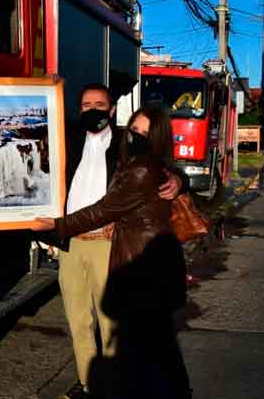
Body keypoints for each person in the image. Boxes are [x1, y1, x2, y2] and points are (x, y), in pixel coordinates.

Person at [33, 106, 191, 399]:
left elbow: (103, 210)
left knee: (145, 347)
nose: (137, 137)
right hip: (143, 261)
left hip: (142, 265)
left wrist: (57, 226)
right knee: (156, 346)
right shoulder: (129, 158)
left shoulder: (143, 168)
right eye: (134, 130)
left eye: (145, 133)